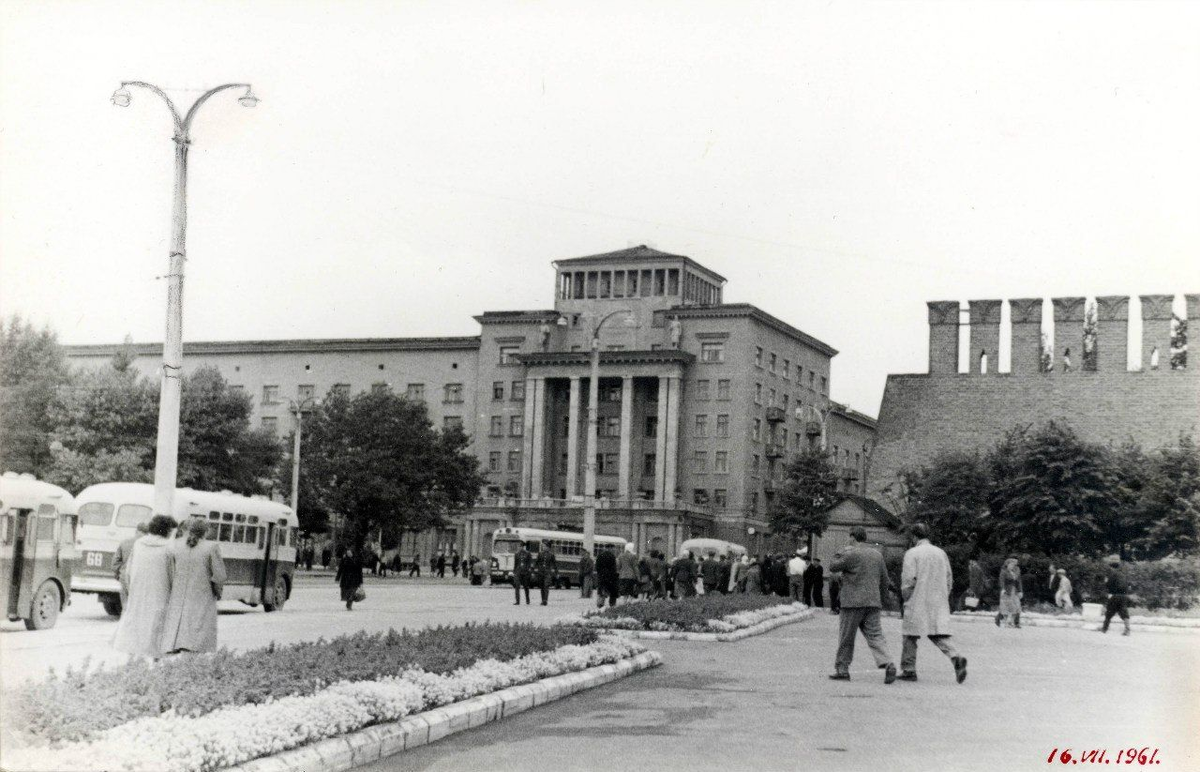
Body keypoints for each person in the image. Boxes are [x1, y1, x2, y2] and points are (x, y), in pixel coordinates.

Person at [896, 523, 968, 684]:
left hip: (917, 598)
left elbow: (909, 579)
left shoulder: (912, 553)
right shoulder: (941, 553)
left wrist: (905, 598)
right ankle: (955, 656)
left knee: (910, 634)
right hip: (938, 599)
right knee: (937, 633)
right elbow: (949, 578)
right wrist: (944, 595)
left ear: (914, 536)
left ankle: (908, 669)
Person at [829, 526, 897, 683]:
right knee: (875, 635)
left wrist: (842, 550)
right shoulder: (877, 554)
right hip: (873, 602)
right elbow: (885, 579)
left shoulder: (850, 552)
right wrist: (882, 599)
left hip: (852, 602)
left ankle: (842, 669)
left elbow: (833, 565)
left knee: (847, 637)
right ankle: (888, 663)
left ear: (852, 537)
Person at [112, 514, 176, 659]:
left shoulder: (138, 544)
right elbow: (173, 575)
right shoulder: (169, 549)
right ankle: (156, 662)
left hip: (138, 594)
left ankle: (133, 661)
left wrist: (131, 590)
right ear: (165, 530)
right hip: (160, 596)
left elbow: (128, 571)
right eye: (171, 531)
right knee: (157, 632)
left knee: (136, 629)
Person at [160, 518, 227, 654]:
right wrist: (217, 591)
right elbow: (219, 575)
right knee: (198, 622)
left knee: (179, 618)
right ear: (206, 532)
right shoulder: (211, 547)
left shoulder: (176, 546)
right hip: (202, 592)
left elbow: (169, 570)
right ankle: (193, 650)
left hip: (178, 592)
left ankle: (175, 645)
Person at [113, 521, 149, 609]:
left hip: (124, 576)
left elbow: (115, 562)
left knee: (125, 606)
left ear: (136, 531)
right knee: (137, 606)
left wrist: (118, 575)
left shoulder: (125, 542)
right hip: (140, 577)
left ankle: (124, 619)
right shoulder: (147, 545)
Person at [1100, 560, 1132, 636]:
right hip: (1124, 596)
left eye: (1110, 567)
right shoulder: (1124, 575)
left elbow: (1108, 586)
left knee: (1109, 612)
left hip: (1115, 595)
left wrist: (1106, 582)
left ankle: (1104, 629)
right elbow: (1129, 586)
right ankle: (1127, 630)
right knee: (1124, 613)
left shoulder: (1112, 575)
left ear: (1112, 567)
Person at [996, 556, 1023, 628]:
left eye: (1013, 565)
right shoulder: (1003, 572)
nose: (1012, 566)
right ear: (1007, 564)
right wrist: (1003, 589)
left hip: (1015, 591)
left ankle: (1012, 622)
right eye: (1011, 564)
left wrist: (1020, 591)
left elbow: (1018, 582)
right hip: (1007, 591)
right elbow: (1001, 581)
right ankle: (1006, 622)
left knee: (1016, 607)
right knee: (1006, 607)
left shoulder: (1015, 572)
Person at [532, 540, 558, 605]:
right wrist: (533, 570)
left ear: (548, 547)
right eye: (543, 546)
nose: (543, 547)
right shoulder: (540, 554)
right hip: (540, 572)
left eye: (545, 546)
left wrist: (557, 573)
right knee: (542, 587)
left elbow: (554, 564)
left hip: (547, 572)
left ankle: (545, 600)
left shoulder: (551, 555)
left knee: (546, 586)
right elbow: (536, 562)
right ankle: (542, 599)